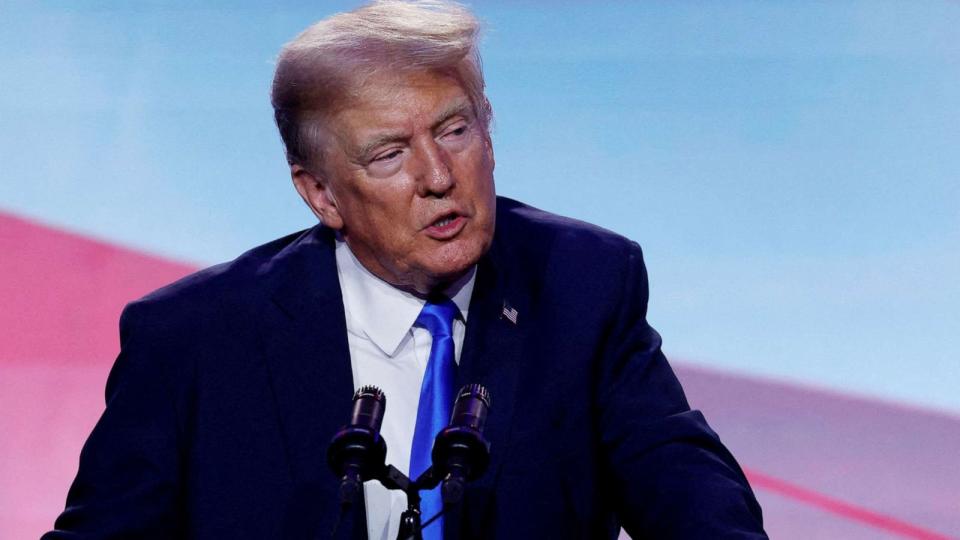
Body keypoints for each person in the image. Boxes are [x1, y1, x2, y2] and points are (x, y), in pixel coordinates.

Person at [45, 1, 766, 539]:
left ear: (489, 123)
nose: (437, 176)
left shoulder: (582, 285)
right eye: (389, 154)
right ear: (321, 193)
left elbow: (689, 495)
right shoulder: (194, 340)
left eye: (456, 130)